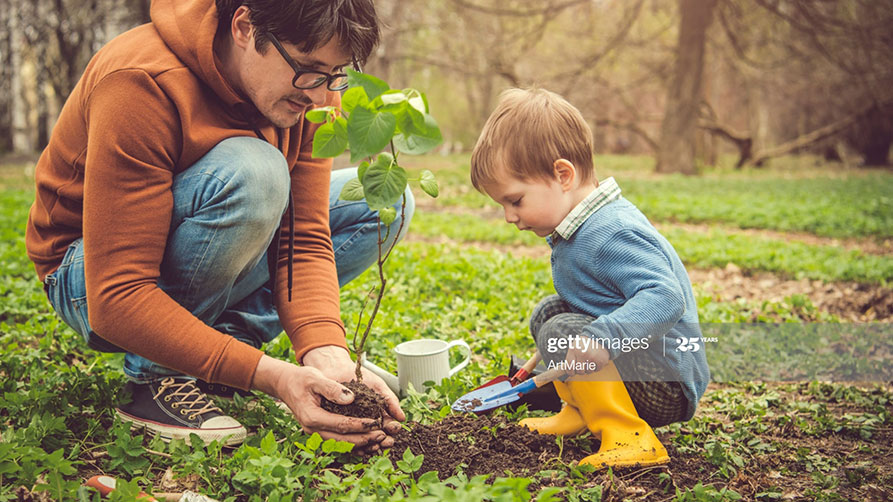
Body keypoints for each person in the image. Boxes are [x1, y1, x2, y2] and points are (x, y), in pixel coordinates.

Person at [25, 0, 410, 451]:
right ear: (245, 27)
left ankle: (222, 341)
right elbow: (117, 294)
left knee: (381, 201)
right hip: (88, 277)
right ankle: (156, 377)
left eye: (336, 73)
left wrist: (325, 350)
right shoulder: (140, 81)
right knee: (258, 173)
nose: (323, 97)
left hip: (191, 242)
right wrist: (271, 377)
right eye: (308, 70)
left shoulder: (313, 91)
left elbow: (302, 238)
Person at [469, 88, 710, 468]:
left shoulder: (610, 231)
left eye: (515, 201)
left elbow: (665, 297)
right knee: (550, 314)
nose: (509, 217)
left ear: (563, 175)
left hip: (666, 382)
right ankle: (580, 410)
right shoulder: (581, 226)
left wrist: (603, 338)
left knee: (562, 329)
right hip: (638, 363)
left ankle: (628, 434)